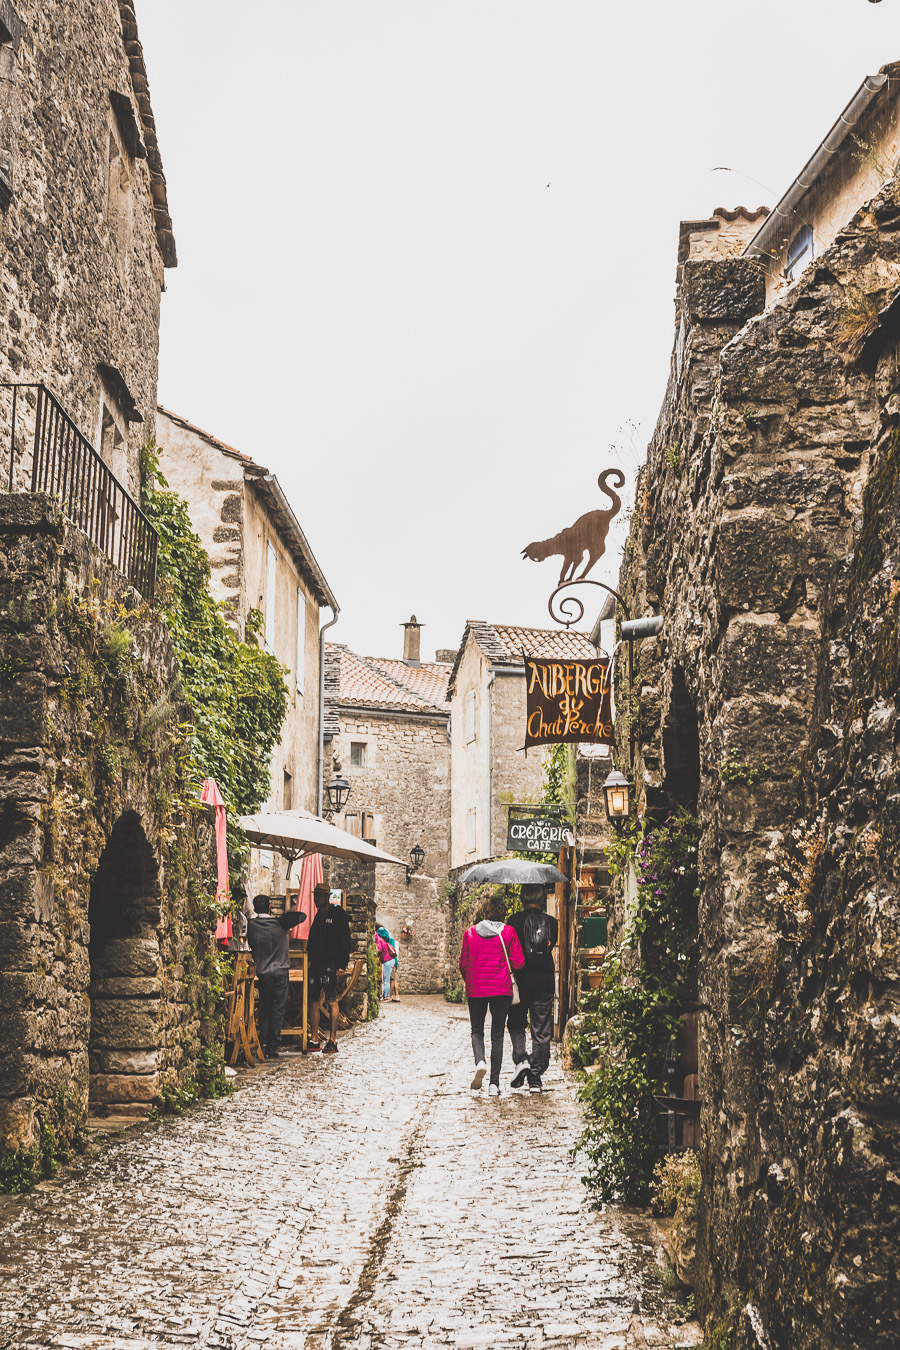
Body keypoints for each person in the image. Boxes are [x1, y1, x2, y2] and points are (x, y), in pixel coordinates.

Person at [458, 892, 524, 1097]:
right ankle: (494, 1084)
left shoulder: (469, 933)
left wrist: (468, 979)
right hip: (501, 989)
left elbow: (463, 964)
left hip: (476, 988)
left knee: (477, 1030)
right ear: (503, 914)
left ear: (484, 913)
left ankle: (480, 1062)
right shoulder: (509, 933)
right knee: (497, 1034)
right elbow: (519, 962)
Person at [506, 884, 559, 1094]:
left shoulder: (513, 922)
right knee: (541, 1030)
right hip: (544, 982)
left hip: (520, 981)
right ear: (542, 898)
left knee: (517, 1023)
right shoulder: (552, 923)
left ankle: (521, 1059)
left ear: (522, 898)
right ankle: (535, 1078)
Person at [244, 894, 306, 1059]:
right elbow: (302, 916)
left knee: (265, 1009)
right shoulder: (279, 923)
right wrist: (283, 917)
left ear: (255, 909)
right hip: (280, 972)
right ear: (270, 907)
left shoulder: (252, 925)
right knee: (278, 1009)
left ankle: (263, 1044)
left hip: (263, 972)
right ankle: (273, 1045)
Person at [306, 885, 352, 1054]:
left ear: (327, 896)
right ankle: (315, 1039)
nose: (316, 898)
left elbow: (345, 942)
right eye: (315, 895)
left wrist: (342, 965)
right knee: (313, 1001)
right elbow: (313, 940)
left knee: (332, 1000)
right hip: (316, 965)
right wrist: (310, 960)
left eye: (319, 896)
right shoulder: (318, 916)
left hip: (331, 965)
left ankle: (332, 1040)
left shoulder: (338, 915)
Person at [375, 920, 398, 1001]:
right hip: (390, 960)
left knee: (386, 980)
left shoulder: (379, 939)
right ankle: (386, 995)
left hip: (387, 961)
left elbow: (379, 949)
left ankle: (386, 996)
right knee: (387, 979)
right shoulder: (387, 939)